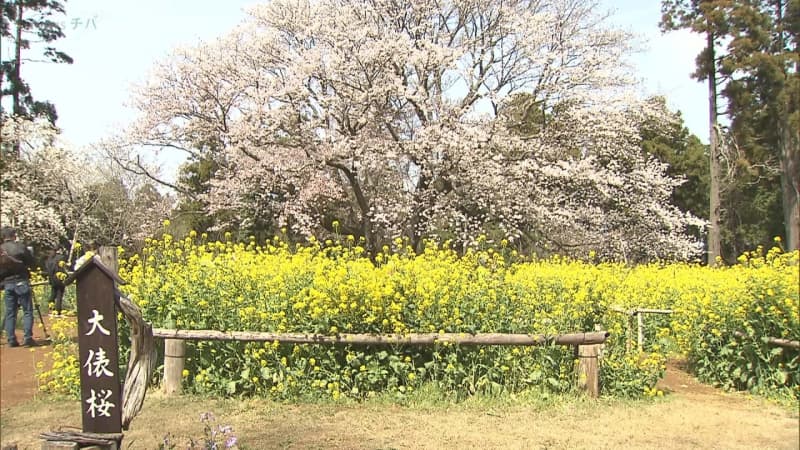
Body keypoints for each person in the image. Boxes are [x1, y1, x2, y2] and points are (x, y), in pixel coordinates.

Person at [0, 226, 38, 347]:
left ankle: (11, 340)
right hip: (21, 281)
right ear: (13, 235)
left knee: (10, 312)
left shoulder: (1, 250)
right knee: (27, 311)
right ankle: (27, 338)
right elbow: (32, 262)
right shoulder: (20, 247)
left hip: (7, 283)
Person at [45, 246, 67, 317]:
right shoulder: (60, 258)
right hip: (59, 278)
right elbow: (62, 268)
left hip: (52, 278)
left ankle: (52, 308)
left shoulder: (48, 260)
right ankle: (58, 310)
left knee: (53, 294)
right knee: (59, 294)